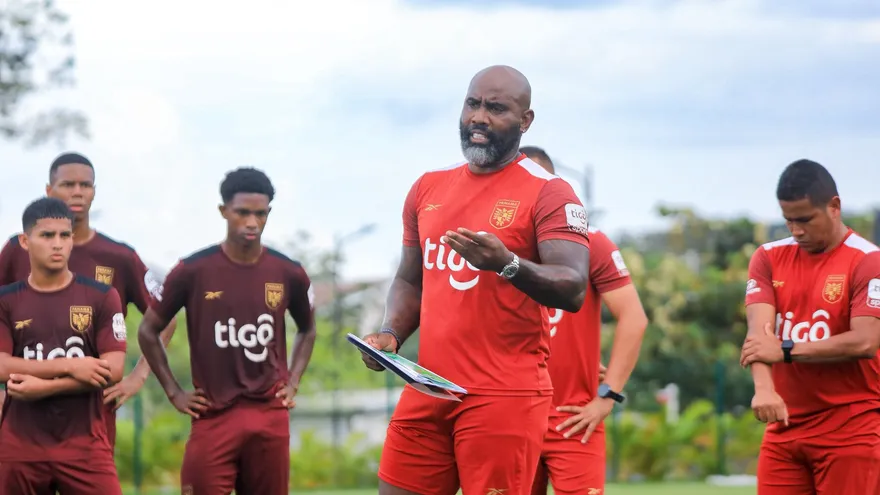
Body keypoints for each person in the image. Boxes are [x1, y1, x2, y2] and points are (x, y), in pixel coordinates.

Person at [359, 66, 592, 495]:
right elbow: (411, 280)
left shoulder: (550, 192)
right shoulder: (428, 187)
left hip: (503, 396)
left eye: (496, 108)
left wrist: (507, 264)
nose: (479, 118)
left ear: (525, 121)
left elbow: (573, 286)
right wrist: (392, 333)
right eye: (473, 104)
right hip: (428, 386)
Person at [137, 167, 317, 494]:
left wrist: (293, 381)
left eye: (260, 214)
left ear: (268, 214)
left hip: (269, 414)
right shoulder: (192, 270)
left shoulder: (288, 271)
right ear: (224, 211)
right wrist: (174, 392)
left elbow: (308, 329)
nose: (252, 222)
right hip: (213, 415)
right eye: (242, 213)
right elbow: (148, 331)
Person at [0, 152, 176, 443]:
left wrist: (138, 376)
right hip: (23, 415)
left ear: (94, 192)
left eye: (86, 185)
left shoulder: (119, 257)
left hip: (91, 417)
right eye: (68, 184)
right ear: (49, 190)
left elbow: (165, 318)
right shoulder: (18, 250)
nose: (78, 192)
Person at [740, 159, 880, 494]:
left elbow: (865, 341)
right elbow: (759, 336)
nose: (796, 230)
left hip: (852, 427)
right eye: (788, 220)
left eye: (805, 220)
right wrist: (763, 389)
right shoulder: (767, 257)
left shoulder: (868, 260)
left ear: (834, 207)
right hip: (784, 427)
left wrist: (787, 350)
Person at [522, 146, 648, 495]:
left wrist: (609, 396)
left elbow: (634, 319)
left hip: (574, 418)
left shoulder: (591, 244)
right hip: (513, 416)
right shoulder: (497, 252)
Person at [0, 197, 126, 494]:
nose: (57, 244)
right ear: (25, 241)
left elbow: (114, 369)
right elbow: (1, 365)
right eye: (46, 235)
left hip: (86, 446)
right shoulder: (5, 300)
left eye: (64, 235)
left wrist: (43, 387)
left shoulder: (103, 296)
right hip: (20, 447)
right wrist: (71, 364)